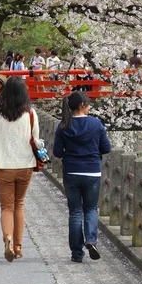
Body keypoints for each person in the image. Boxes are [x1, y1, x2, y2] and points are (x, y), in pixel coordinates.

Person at [53, 91, 112, 263]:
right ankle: (91, 240)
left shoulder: (64, 125)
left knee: (75, 212)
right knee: (91, 209)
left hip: (71, 171)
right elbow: (106, 148)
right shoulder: (96, 123)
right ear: (82, 105)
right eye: (88, 104)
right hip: (92, 171)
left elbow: (57, 152)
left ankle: (77, 253)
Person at [0, 77, 38, 262]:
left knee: (6, 206)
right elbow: (36, 138)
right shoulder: (30, 113)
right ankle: (17, 246)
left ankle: (7, 237)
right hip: (25, 165)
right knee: (19, 204)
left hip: (4, 165)